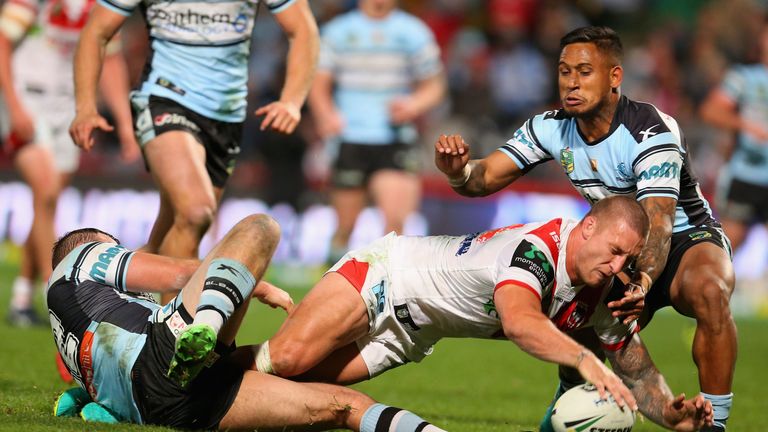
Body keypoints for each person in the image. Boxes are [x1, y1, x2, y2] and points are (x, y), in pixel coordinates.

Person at [434, 26, 735, 432]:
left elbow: (659, 222)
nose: (571, 83)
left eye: (584, 71)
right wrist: (459, 172)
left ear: (615, 77)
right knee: (583, 332)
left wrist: (644, 281)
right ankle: (566, 410)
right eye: (564, 72)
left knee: (709, 290)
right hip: (620, 249)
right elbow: (484, 177)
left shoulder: (651, 131)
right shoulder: (551, 126)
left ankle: (715, 424)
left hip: (683, 238)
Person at [255, 196, 713, 431]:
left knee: (299, 388)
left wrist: (673, 415)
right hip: (385, 276)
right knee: (290, 360)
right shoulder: (536, 250)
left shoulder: (603, 288)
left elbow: (636, 370)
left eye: (626, 261)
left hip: (410, 336)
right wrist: (582, 359)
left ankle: (211, 384)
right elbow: (518, 321)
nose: (616, 267)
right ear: (588, 227)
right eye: (613, 252)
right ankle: (198, 367)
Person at [46, 215, 445, 431]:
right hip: (158, 358)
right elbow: (177, 273)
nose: (120, 252)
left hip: (167, 411)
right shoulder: (80, 256)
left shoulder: (66, 329)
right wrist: (257, 284)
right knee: (260, 229)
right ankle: (206, 324)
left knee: (347, 408)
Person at [69, 0, 319, 304]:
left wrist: (292, 99)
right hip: (163, 99)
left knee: (173, 229)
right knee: (195, 211)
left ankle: (94, 298)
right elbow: (96, 31)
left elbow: (303, 28)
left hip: (225, 118)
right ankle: (170, 336)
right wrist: (85, 106)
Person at [0, 0, 138, 326]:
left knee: (46, 203)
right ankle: (59, 298)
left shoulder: (100, 6)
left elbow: (111, 60)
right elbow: (2, 41)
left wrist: (125, 124)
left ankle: (22, 297)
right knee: (46, 190)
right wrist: (14, 105)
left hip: (68, 107)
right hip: (26, 98)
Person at [308, 0, 446, 262]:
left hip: (394, 138)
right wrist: (326, 115)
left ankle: (387, 295)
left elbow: (435, 86)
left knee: (394, 226)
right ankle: (329, 287)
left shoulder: (414, 32)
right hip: (350, 138)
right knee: (345, 226)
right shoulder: (337, 31)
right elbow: (318, 83)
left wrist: (413, 104)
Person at [699, 23, 768, 267]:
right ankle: (705, 292)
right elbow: (710, 110)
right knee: (727, 246)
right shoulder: (744, 77)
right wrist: (746, 126)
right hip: (745, 175)